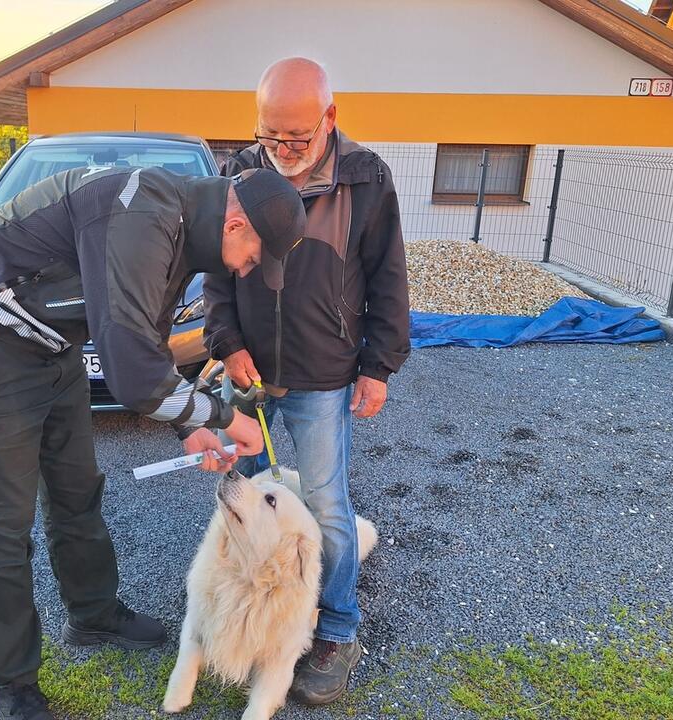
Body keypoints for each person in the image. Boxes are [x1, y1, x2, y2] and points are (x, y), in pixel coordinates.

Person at [0, 164, 306, 720]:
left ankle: (93, 613)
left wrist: (187, 425)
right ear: (236, 223)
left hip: (51, 348)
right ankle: (14, 687)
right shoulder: (143, 215)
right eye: (254, 257)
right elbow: (134, 377)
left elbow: (144, 344)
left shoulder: (179, 229)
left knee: (76, 489)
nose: (247, 272)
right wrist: (221, 417)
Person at [203, 57, 411, 707]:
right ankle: (253, 613)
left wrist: (379, 366)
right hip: (250, 374)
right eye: (271, 136)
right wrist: (226, 344)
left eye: (297, 137)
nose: (283, 151)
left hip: (325, 378)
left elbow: (388, 278)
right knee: (245, 497)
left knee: (324, 506)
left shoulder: (367, 178)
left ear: (330, 117)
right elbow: (213, 270)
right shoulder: (238, 172)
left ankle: (338, 629)